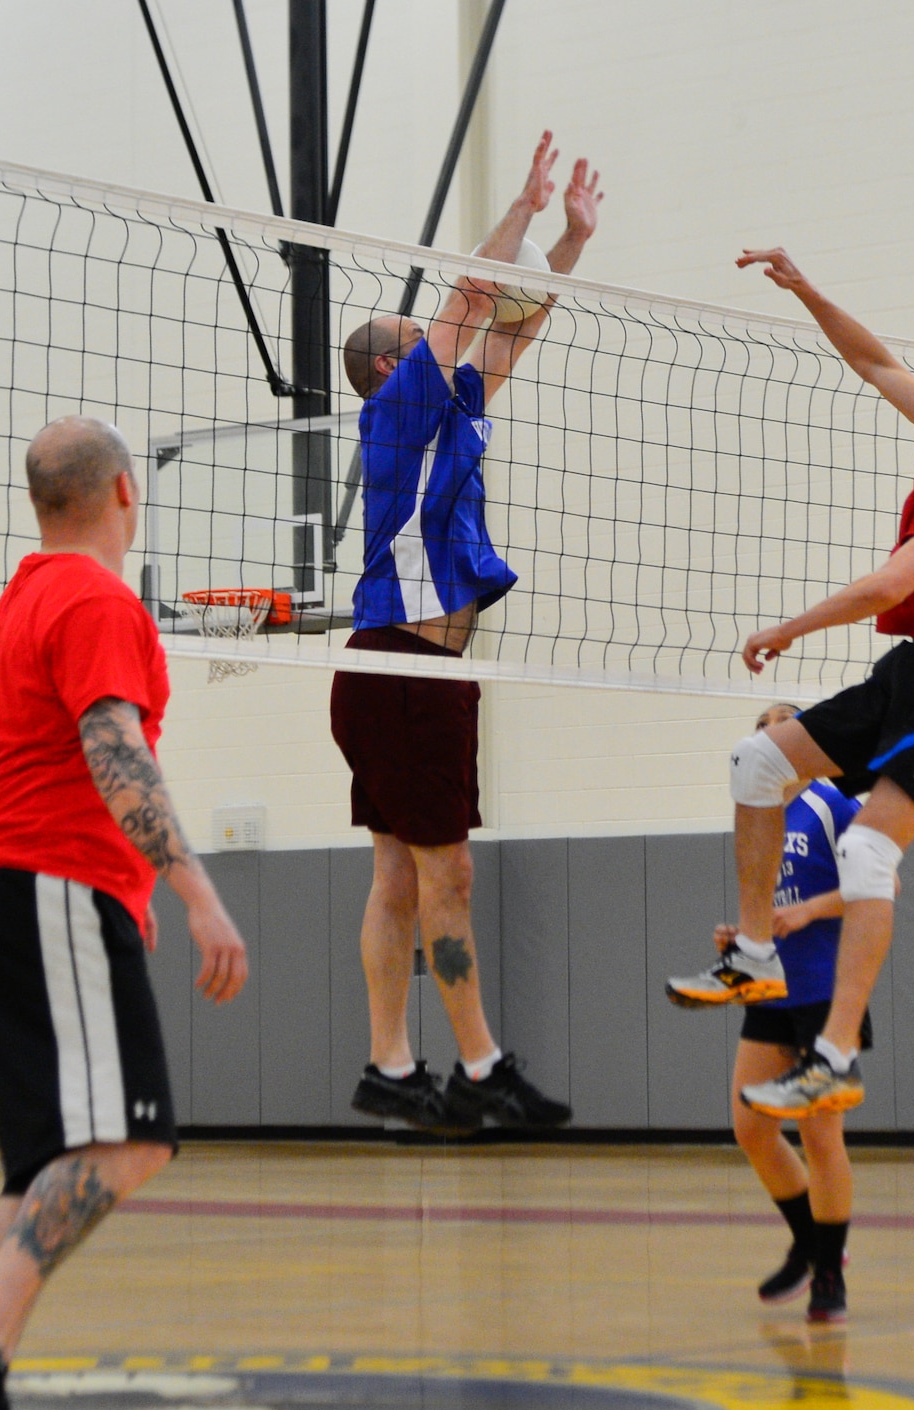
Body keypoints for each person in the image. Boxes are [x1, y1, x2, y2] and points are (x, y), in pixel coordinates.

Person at [0, 416, 248, 1410]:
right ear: (125, 493)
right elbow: (113, 748)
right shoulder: (94, 598)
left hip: (6, 893)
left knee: (44, 1162)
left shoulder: (23, 600)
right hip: (53, 885)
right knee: (129, 1143)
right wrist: (196, 893)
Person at [666, 248, 914, 1122]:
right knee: (757, 763)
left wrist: (788, 628)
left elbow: (886, 589)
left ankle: (834, 1053)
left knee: (868, 853)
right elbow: (873, 362)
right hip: (911, 670)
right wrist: (808, 291)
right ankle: (755, 951)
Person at [331, 131, 600, 1132]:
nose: (450, 332)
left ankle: (389, 1066)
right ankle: (482, 1071)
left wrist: (565, 243)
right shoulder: (398, 411)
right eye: (428, 330)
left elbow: (515, 322)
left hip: (413, 673)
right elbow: (474, 296)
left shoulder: (455, 409)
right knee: (445, 871)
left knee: (400, 872)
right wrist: (521, 214)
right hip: (401, 664)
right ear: (398, 361)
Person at [669, 703, 870, 1324]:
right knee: (750, 1125)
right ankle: (809, 1242)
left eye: (780, 728)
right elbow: (769, 907)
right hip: (771, 989)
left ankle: (829, 1271)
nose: (769, 739)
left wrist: (808, 912)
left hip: (825, 993)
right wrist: (743, 940)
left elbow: (879, 889)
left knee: (819, 1133)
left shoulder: (836, 806)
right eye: (762, 732)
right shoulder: (757, 817)